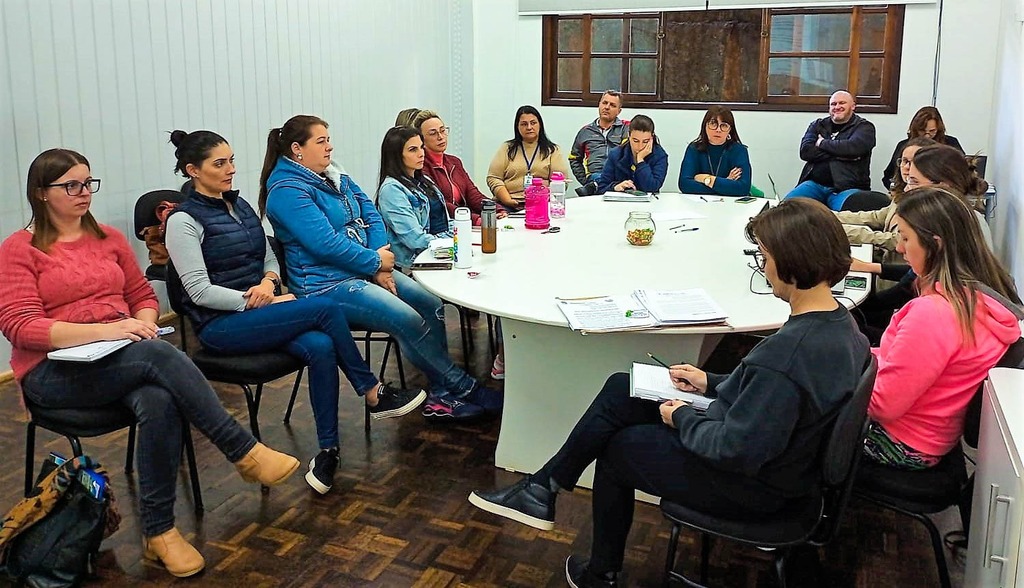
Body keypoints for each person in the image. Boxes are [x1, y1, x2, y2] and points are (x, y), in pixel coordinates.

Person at [468, 199, 870, 586]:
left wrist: (681, 416)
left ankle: (600, 572)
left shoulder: (787, 354)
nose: (763, 268)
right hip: (781, 464)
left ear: (791, 261)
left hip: (755, 486)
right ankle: (542, 489)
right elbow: (769, 398)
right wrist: (709, 383)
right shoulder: (840, 326)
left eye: (764, 258)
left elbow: (736, 448)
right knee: (623, 388)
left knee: (620, 448)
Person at [0, 149, 300, 579]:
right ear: (41, 194)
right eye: (71, 185)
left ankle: (160, 533)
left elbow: (142, 297)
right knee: (161, 356)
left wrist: (139, 323)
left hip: (121, 357)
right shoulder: (19, 249)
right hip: (53, 373)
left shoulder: (108, 238)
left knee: (157, 396)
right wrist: (108, 331)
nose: (84, 193)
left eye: (88, 183)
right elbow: (20, 326)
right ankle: (242, 450)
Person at [164, 130, 425, 496]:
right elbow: (199, 292)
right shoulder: (183, 221)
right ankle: (371, 389)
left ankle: (328, 451)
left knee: (320, 345)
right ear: (193, 170)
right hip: (220, 326)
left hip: (259, 309)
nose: (231, 170)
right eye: (219, 164)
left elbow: (268, 255)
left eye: (232, 160)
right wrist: (256, 300)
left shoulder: (238, 207)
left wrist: (270, 282)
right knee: (325, 308)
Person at [258, 115, 502, 421]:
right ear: (297, 149)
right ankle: (463, 388)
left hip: (364, 268)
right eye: (321, 142)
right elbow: (324, 244)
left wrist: (379, 260)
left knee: (429, 302)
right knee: (407, 318)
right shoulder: (286, 190)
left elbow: (370, 213)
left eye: (328, 139)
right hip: (325, 285)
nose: (330, 147)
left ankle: (441, 392)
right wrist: (375, 263)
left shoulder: (331, 173)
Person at [863, 187, 1020, 470]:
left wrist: (839, 377)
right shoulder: (979, 299)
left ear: (935, 245)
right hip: (934, 435)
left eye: (906, 238)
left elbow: (883, 405)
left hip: (902, 441)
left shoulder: (934, 313)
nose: (899, 248)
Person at [836, 137, 936, 269]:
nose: (907, 168)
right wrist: (829, 216)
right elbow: (876, 217)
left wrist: (844, 231)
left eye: (914, 163)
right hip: (886, 264)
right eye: (905, 161)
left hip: (900, 271)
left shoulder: (930, 205)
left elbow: (897, 240)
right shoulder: (903, 193)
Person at [407, 109, 507, 227]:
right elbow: (442, 204)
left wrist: (496, 209)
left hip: (467, 220)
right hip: (449, 224)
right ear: (421, 140)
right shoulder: (421, 167)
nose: (440, 137)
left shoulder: (454, 162)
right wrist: (476, 219)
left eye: (443, 131)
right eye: (433, 133)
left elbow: (473, 195)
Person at [375, 125, 453, 269]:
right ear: (396, 155)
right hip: (415, 262)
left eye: (421, 147)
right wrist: (452, 244)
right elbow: (415, 239)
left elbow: (446, 222)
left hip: (442, 252)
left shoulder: (425, 181)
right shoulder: (391, 189)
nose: (421, 153)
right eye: (413, 150)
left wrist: (464, 235)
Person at [786, 90, 876, 211]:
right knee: (785, 209)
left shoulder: (864, 127)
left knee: (850, 216)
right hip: (813, 185)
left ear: (853, 106)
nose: (837, 107)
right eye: (833, 104)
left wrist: (822, 143)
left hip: (848, 188)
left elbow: (854, 148)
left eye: (842, 103)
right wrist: (843, 153)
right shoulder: (818, 125)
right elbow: (806, 152)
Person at [486, 106, 570, 209]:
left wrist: (541, 196)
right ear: (517, 127)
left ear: (540, 125)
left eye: (533, 123)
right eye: (524, 124)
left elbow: (560, 182)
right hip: (508, 204)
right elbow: (494, 178)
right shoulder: (507, 148)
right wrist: (507, 200)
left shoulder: (552, 150)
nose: (529, 127)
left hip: (542, 204)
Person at [882, 106, 964, 190]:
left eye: (932, 131)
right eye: (922, 131)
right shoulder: (904, 145)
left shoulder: (950, 144)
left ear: (938, 129)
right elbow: (888, 176)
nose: (927, 135)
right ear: (915, 129)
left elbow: (962, 174)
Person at [677, 106, 752, 196]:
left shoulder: (739, 151)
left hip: (730, 205)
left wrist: (706, 179)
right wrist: (725, 184)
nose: (718, 130)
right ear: (705, 126)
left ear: (730, 130)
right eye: (713, 124)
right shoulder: (694, 149)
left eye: (724, 125)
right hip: (698, 205)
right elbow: (684, 184)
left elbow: (743, 188)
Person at [595, 114, 668, 194]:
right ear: (629, 136)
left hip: (648, 204)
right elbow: (601, 187)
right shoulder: (616, 154)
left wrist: (640, 161)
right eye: (635, 141)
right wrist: (615, 187)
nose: (640, 146)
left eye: (645, 141)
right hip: (618, 202)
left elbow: (652, 188)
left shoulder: (660, 156)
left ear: (652, 137)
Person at [569, 90, 630, 186]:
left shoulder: (626, 128)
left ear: (619, 111)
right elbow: (574, 158)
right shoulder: (585, 131)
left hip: (619, 177)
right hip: (594, 177)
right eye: (604, 103)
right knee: (598, 179)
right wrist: (584, 181)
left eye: (612, 105)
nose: (607, 107)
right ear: (599, 104)